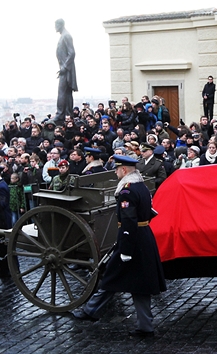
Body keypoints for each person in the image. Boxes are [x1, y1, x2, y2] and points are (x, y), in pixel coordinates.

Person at [72, 154, 166, 337]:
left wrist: (126, 249)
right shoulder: (141, 187)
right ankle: (141, 325)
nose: (115, 172)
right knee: (130, 282)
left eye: (117, 169)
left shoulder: (126, 191)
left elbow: (129, 220)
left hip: (132, 240)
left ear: (124, 170)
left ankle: (92, 311)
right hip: (143, 238)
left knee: (112, 276)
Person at [54, 19, 78, 125]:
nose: (55, 27)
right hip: (65, 68)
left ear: (60, 25)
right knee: (67, 92)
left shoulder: (66, 36)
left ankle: (60, 114)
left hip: (66, 69)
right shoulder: (63, 36)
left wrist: (64, 67)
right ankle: (68, 113)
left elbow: (72, 53)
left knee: (62, 92)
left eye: (56, 25)